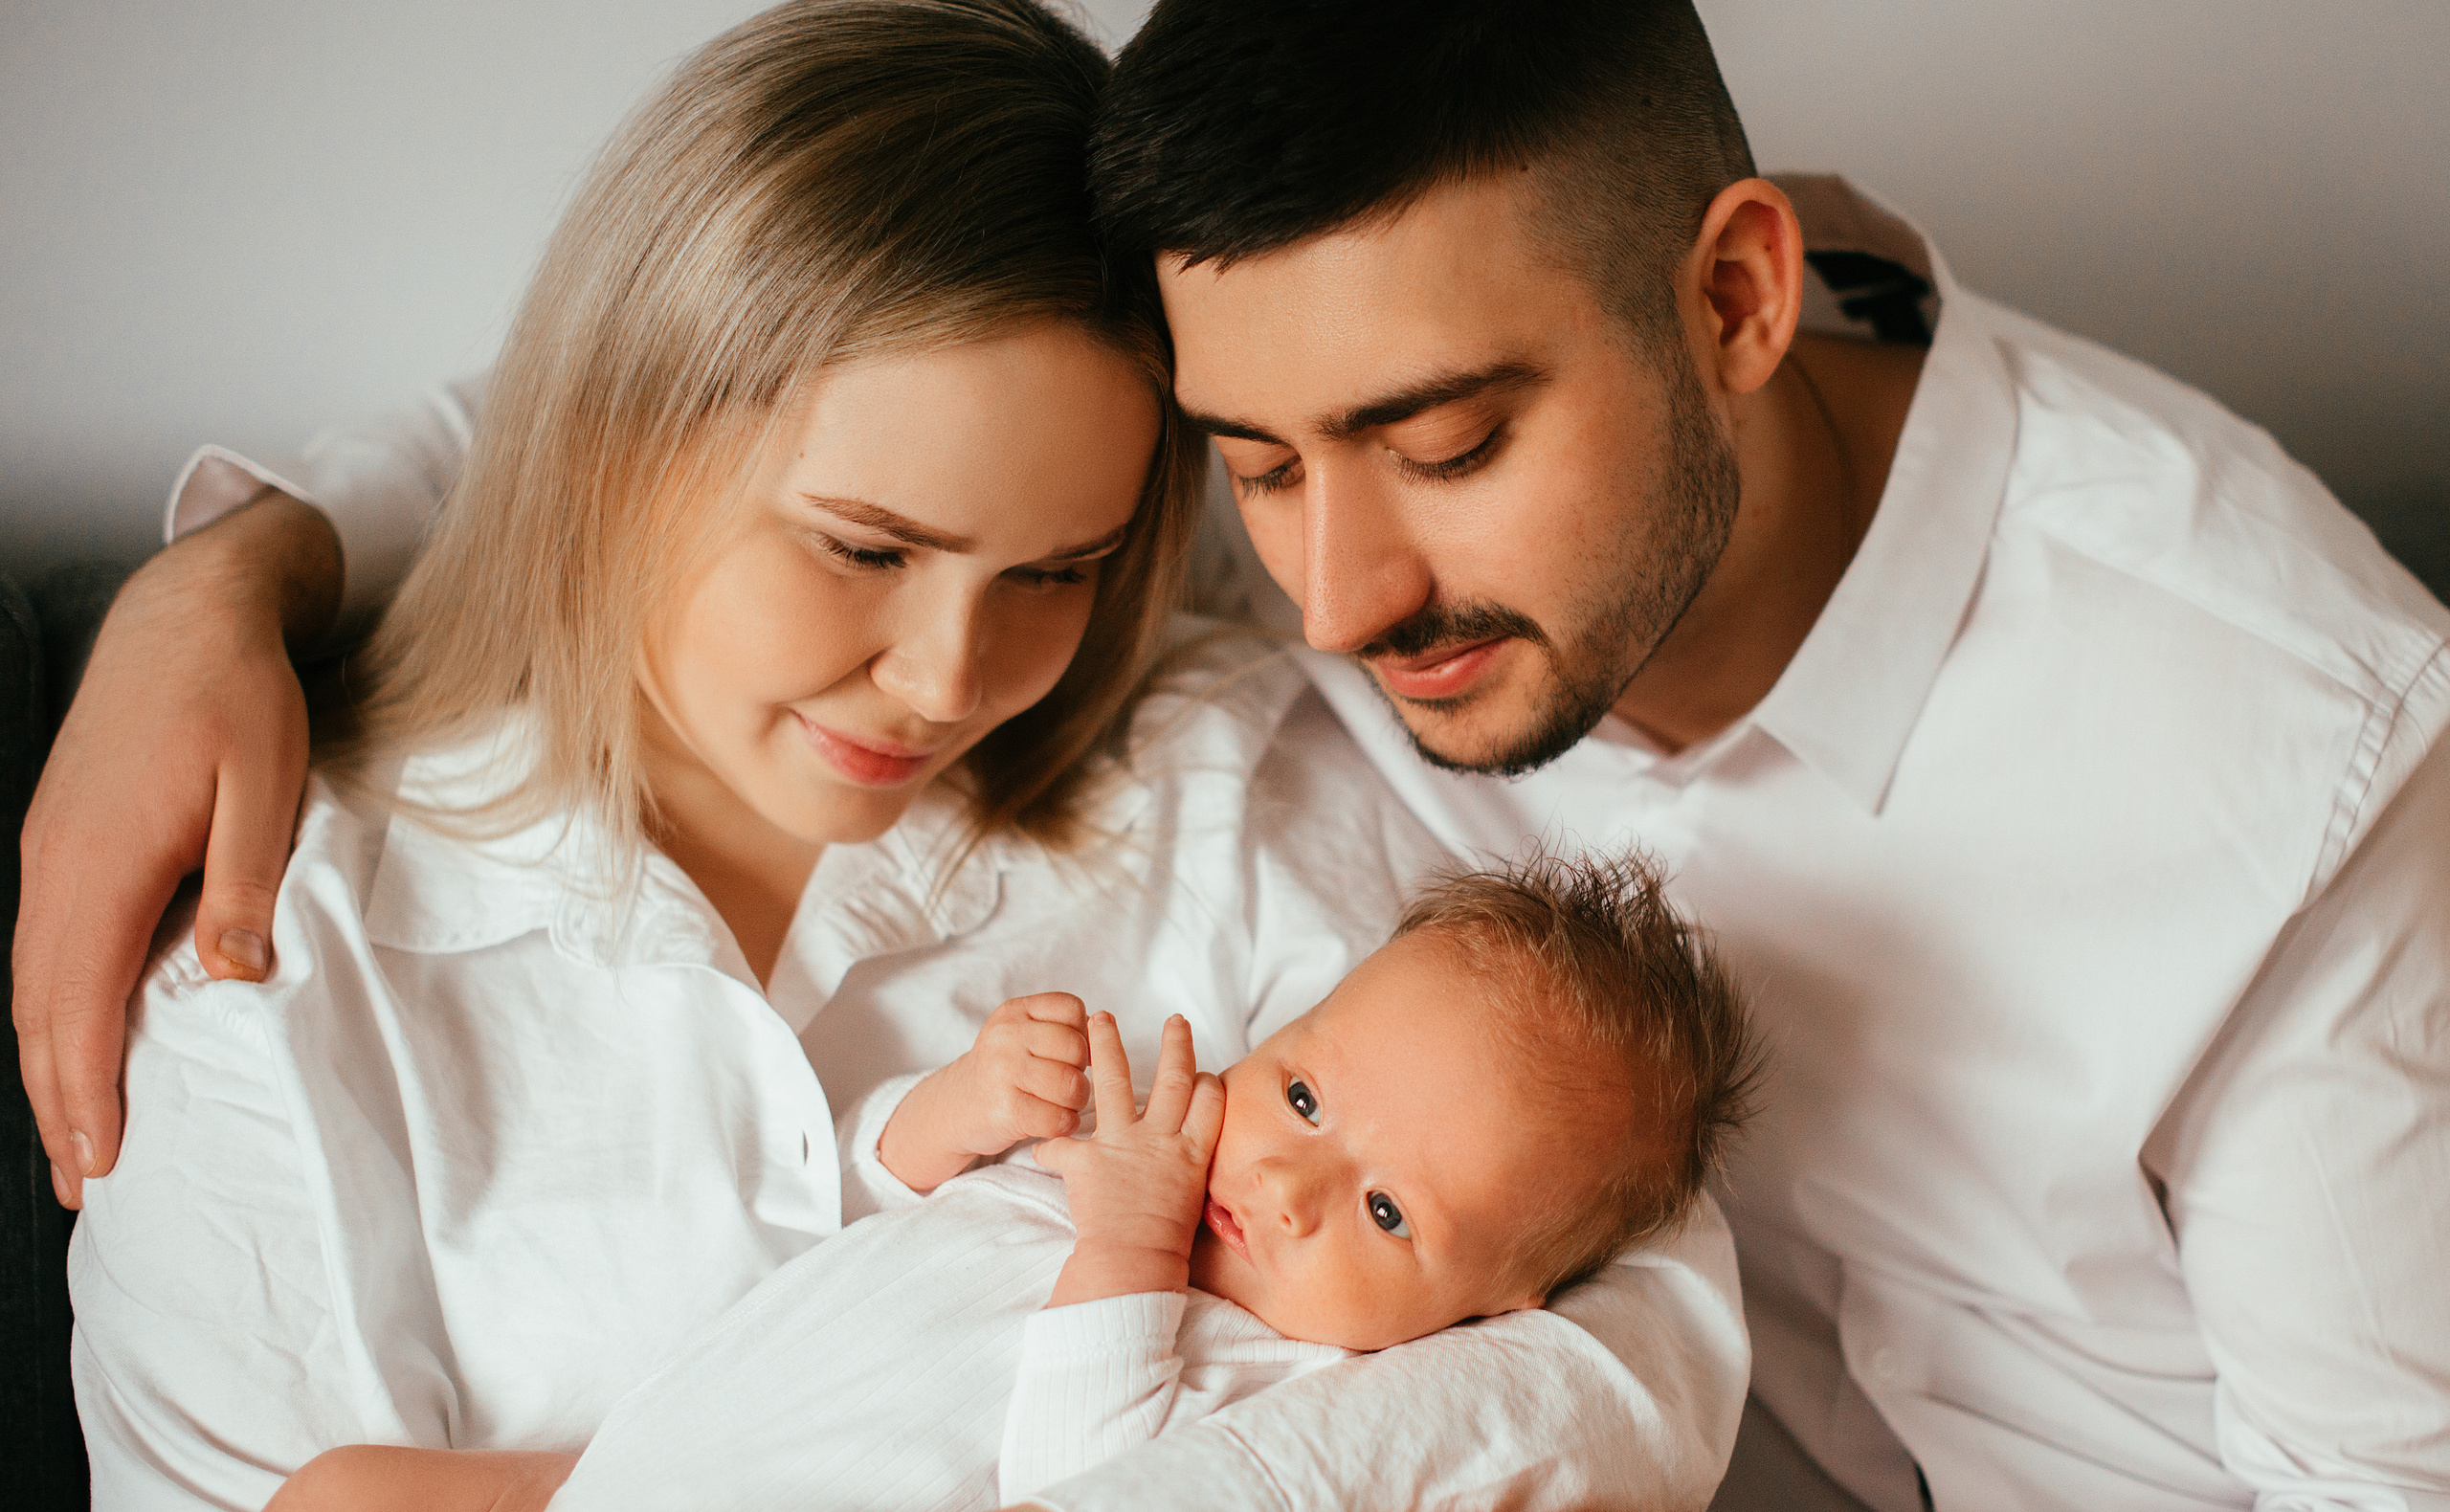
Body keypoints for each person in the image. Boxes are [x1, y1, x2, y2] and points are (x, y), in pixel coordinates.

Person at [20, 1, 2446, 1509]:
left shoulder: (2294, 769)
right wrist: (228, 574)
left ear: (1733, 303)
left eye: (1439, 440)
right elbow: (694, 401)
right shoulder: (1295, 542)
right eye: (1253, 477)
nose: (1335, 599)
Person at [52, 5, 1750, 1512]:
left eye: (1056, 572)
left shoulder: (1231, 780)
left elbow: (1619, 1328)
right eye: (864, 548)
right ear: (618, 440)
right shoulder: (276, 966)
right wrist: (224, 571)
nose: (951, 679)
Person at [264, 853, 1762, 1512]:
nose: (1293, 1184)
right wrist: (958, 1110)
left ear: (1492, 1307)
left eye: (1387, 1214)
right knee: (338, 1492)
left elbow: (1077, 1482)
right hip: (609, 1470)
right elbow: (859, 1215)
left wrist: (1122, 1245)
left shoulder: (1281, 1385)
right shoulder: (1130, 1152)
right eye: (1302, 1091)